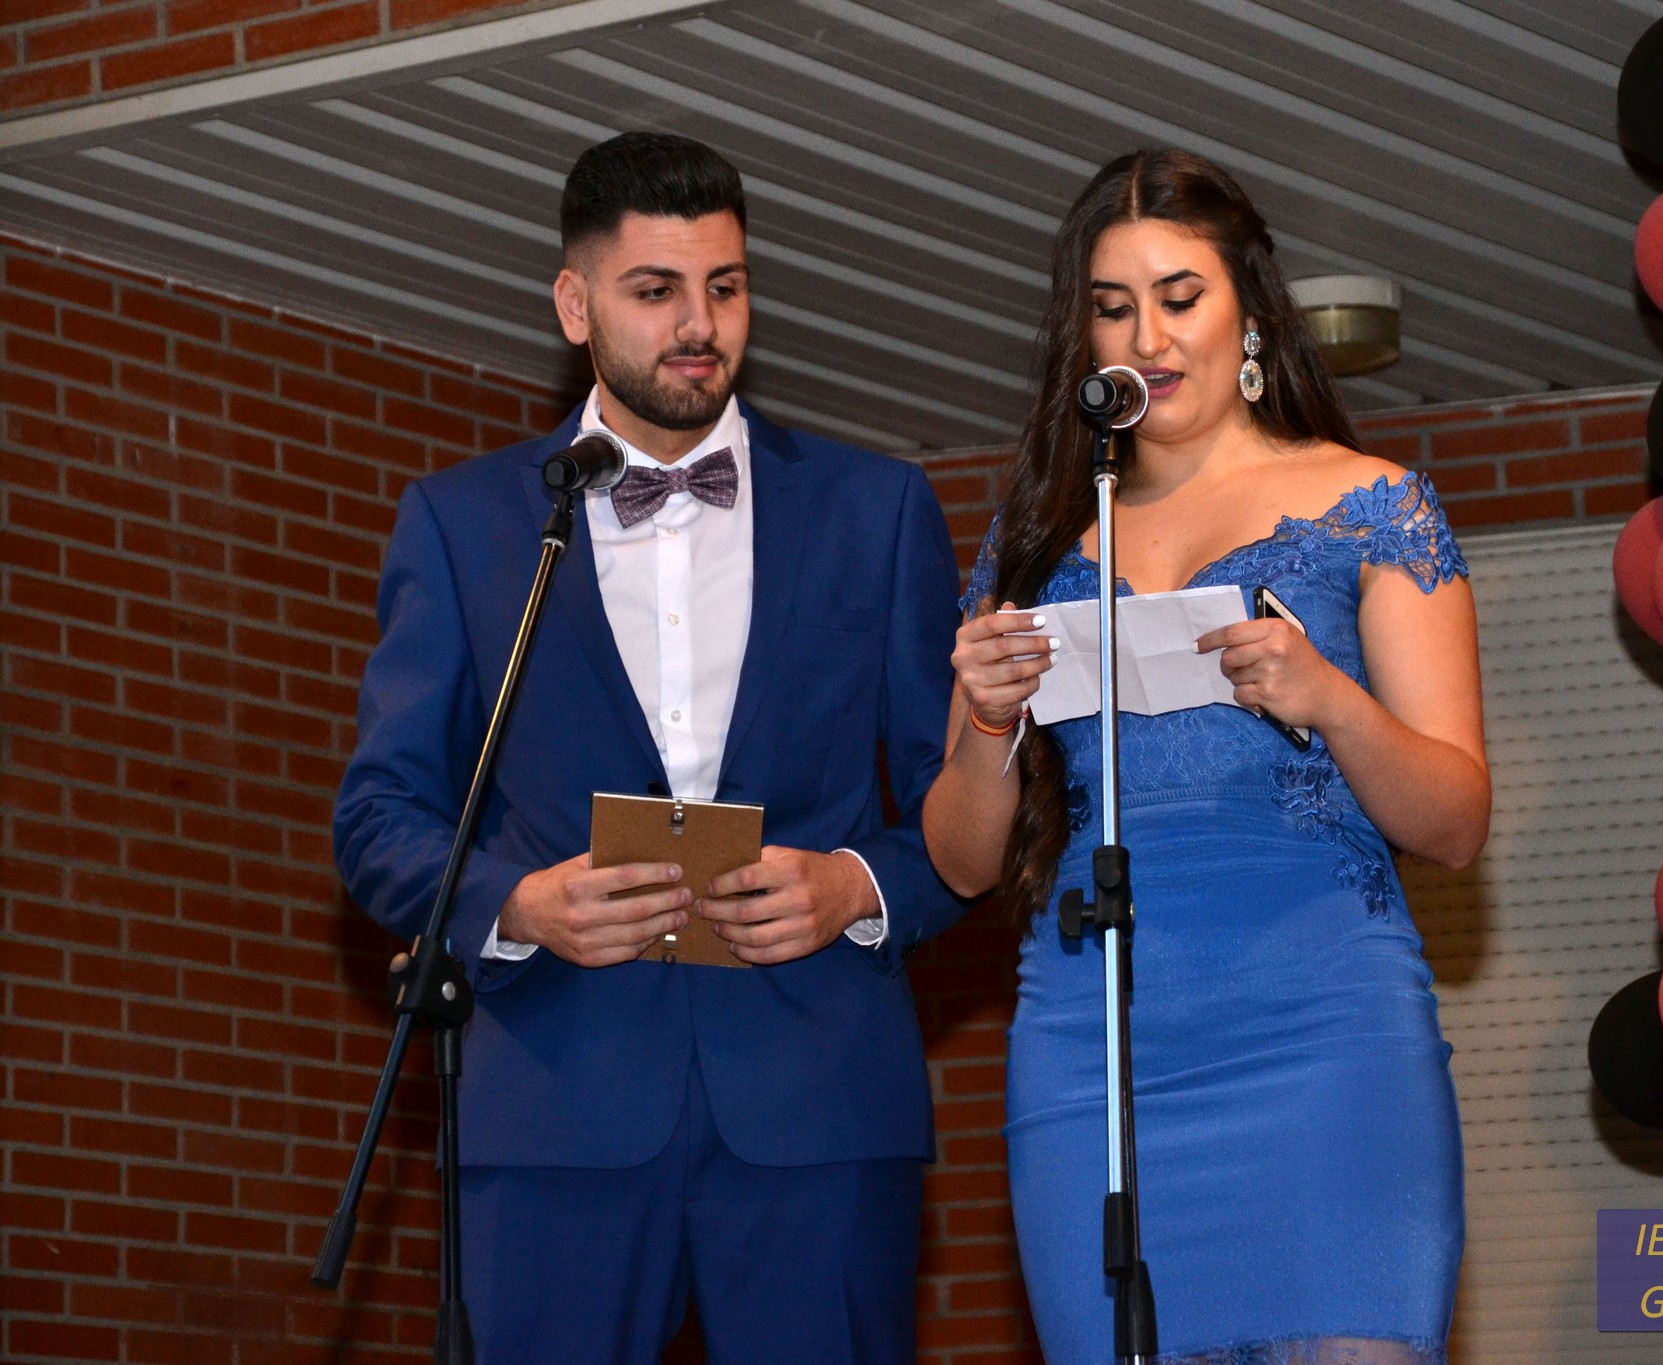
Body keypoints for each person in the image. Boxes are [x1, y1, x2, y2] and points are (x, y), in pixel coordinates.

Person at [333, 132, 967, 1364]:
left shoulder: (876, 510)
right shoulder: (464, 525)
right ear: (575, 307)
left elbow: (966, 808)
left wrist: (857, 886)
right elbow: (379, 816)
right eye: (655, 289)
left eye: (725, 287)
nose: (698, 325)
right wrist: (517, 904)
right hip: (552, 1102)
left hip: (819, 1104)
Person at [921, 149, 1491, 1365]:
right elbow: (962, 862)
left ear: (1249, 312)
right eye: (1113, 307)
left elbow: (1453, 822)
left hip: (1326, 1037)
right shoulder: (1034, 542)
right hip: (1092, 1055)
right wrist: (986, 721)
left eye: (1179, 297)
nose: (1149, 336)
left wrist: (1330, 700)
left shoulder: (1371, 505)